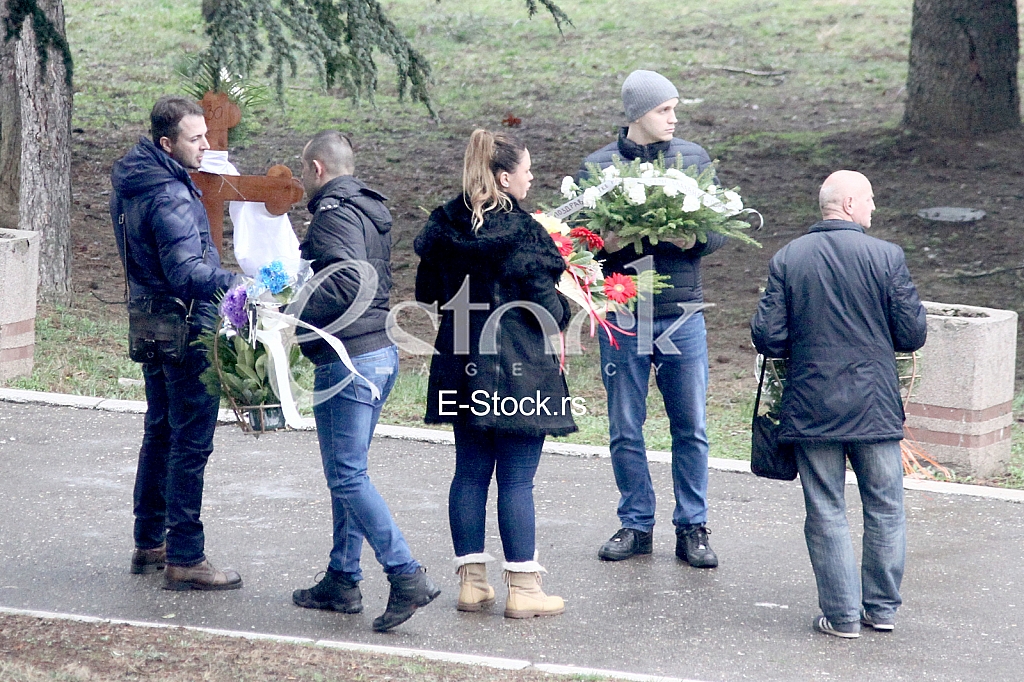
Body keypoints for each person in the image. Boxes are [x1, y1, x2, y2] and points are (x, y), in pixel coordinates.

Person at [750, 170, 927, 639]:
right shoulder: (887, 257)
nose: (874, 208)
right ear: (848, 203)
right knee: (886, 507)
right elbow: (912, 334)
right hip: (875, 407)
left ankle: (842, 616)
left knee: (826, 509)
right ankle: (882, 610)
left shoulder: (789, 258)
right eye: (869, 199)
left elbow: (769, 337)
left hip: (812, 406)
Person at [414, 129, 576, 618]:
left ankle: (472, 584)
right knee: (517, 480)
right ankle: (524, 591)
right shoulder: (525, 232)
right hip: (516, 367)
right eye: (526, 169)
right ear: (504, 177)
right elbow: (549, 314)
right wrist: (571, 295)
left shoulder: (443, 225)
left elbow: (427, 293)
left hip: (459, 360)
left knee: (468, 473)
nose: (531, 177)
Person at [290, 130, 439, 633]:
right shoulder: (370, 209)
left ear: (316, 169)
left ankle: (405, 574)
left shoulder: (332, 213)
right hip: (376, 350)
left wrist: (292, 311)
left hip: (348, 358)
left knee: (347, 475)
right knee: (346, 472)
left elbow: (350, 282)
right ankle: (342, 577)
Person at [579, 70, 724, 567]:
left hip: (682, 311)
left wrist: (697, 240)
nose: (673, 118)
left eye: (674, 109)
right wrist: (605, 245)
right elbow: (574, 244)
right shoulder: (597, 168)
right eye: (665, 109)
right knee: (625, 425)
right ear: (637, 113)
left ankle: (693, 527)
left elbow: (719, 229)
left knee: (692, 426)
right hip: (622, 313)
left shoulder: (693, 159)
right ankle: (635, 523)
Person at [111, 96, 242, 590]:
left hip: (149, 321)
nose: (206, 145)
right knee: (190, 442)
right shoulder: (167, 194)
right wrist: (237, 287)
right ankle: (185, 554)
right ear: (167, 143)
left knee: (160, 431)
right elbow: (186, 273)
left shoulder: (133, 180)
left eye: (207, 135)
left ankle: (149, 543)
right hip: (186, 330)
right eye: (196, 138)